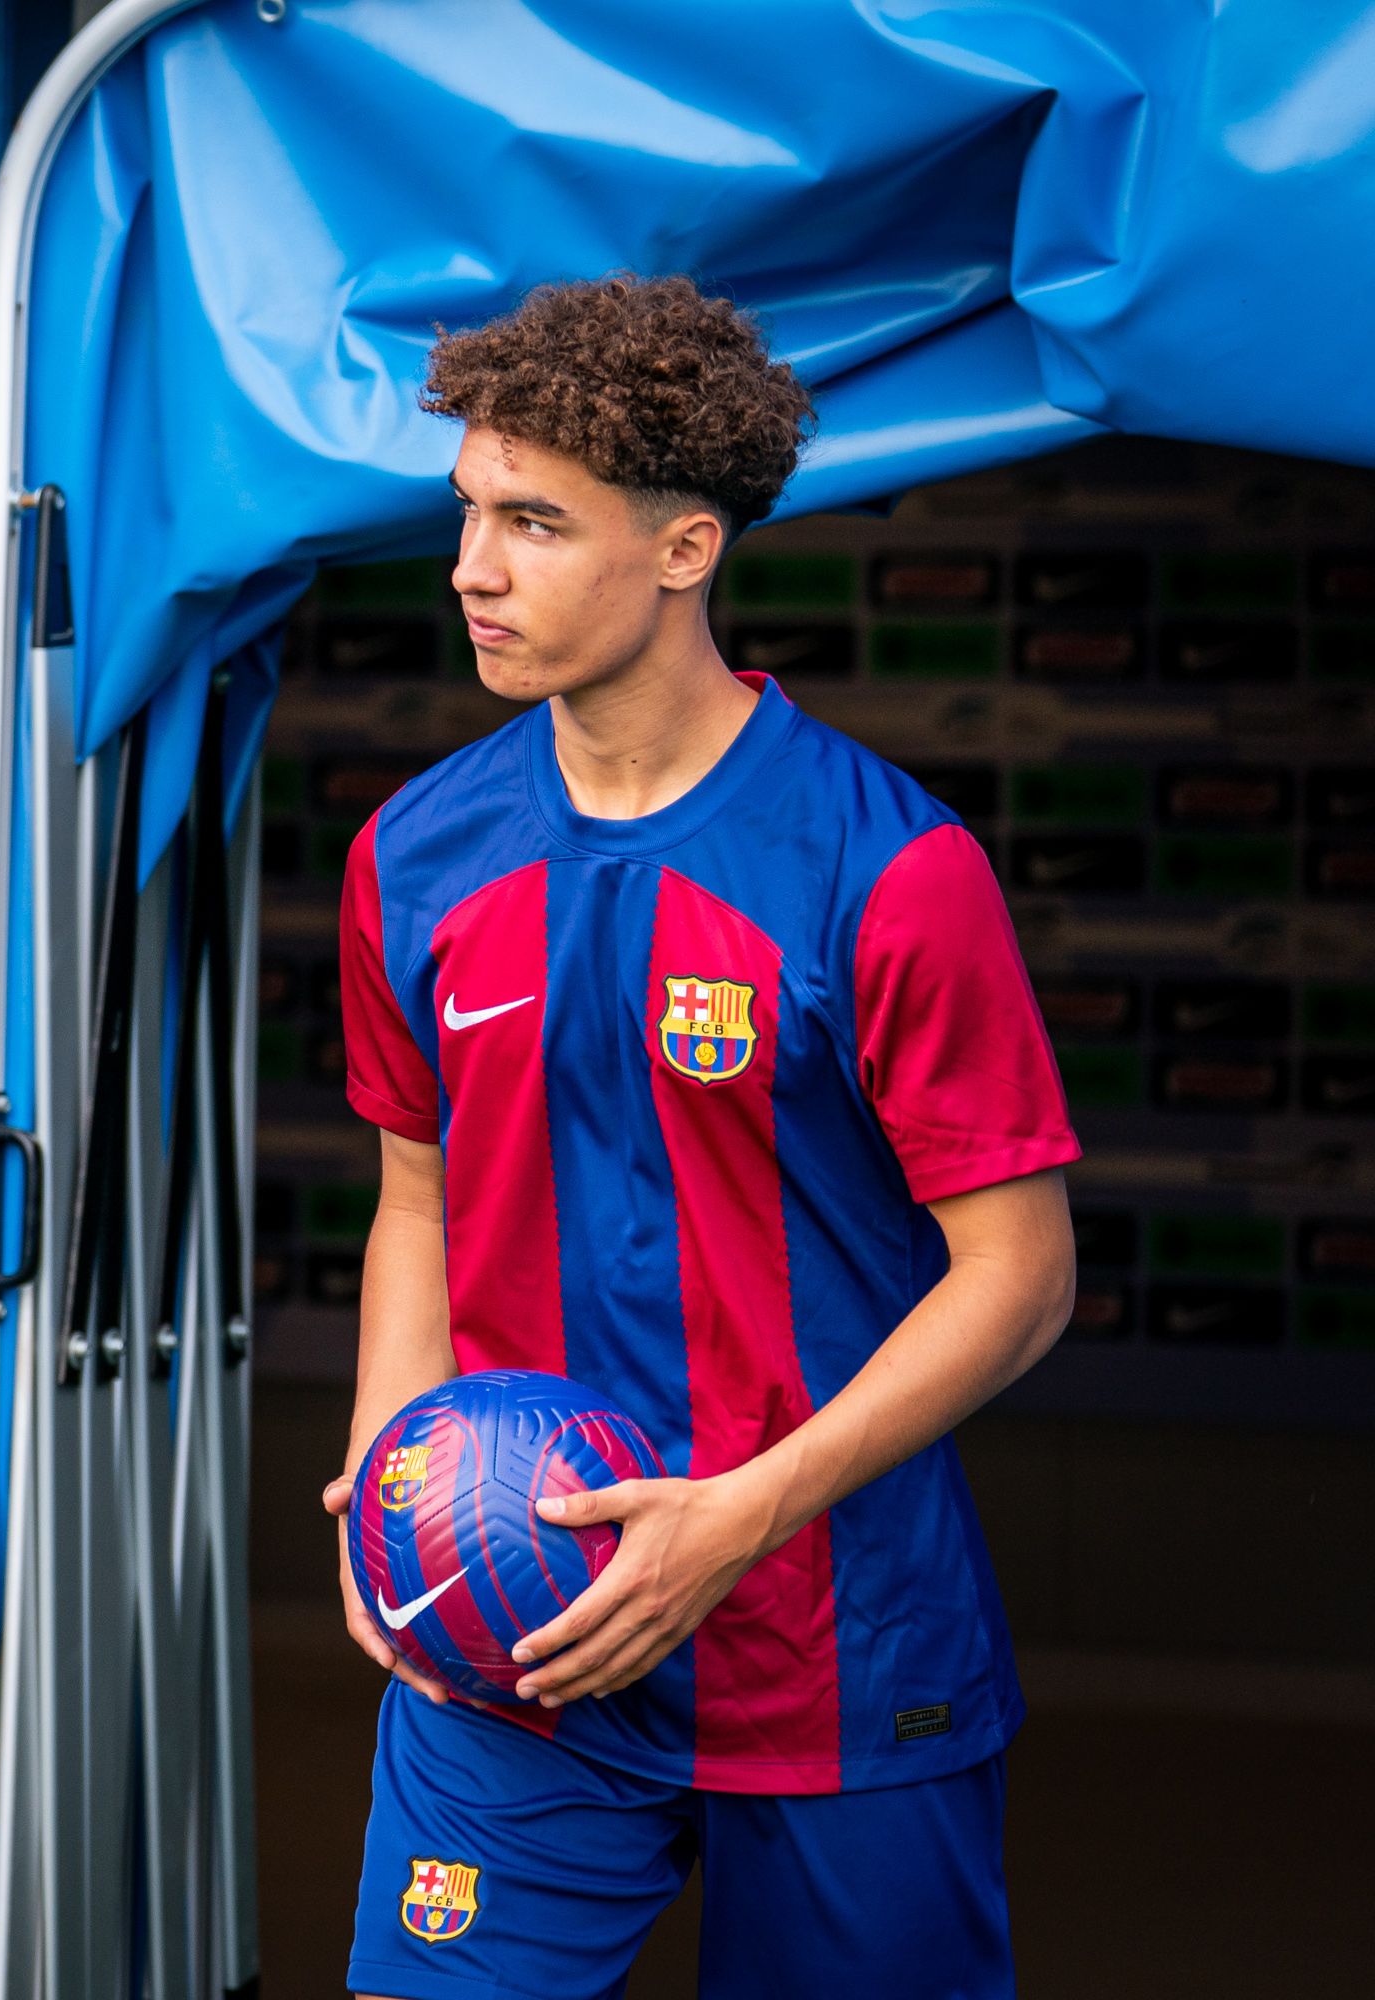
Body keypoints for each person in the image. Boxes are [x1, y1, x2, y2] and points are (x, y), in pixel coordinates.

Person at [323, 274, 1078, 2000]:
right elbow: (419, 1200)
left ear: (683, 549)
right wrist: (392, 1480)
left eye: (534, 522)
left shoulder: (889, 868)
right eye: (467, 515)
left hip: (842, 1653)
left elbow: (1020, 1280)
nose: (472, 569)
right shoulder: (416, 859)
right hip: (512, 1643)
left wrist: (741, 1515)